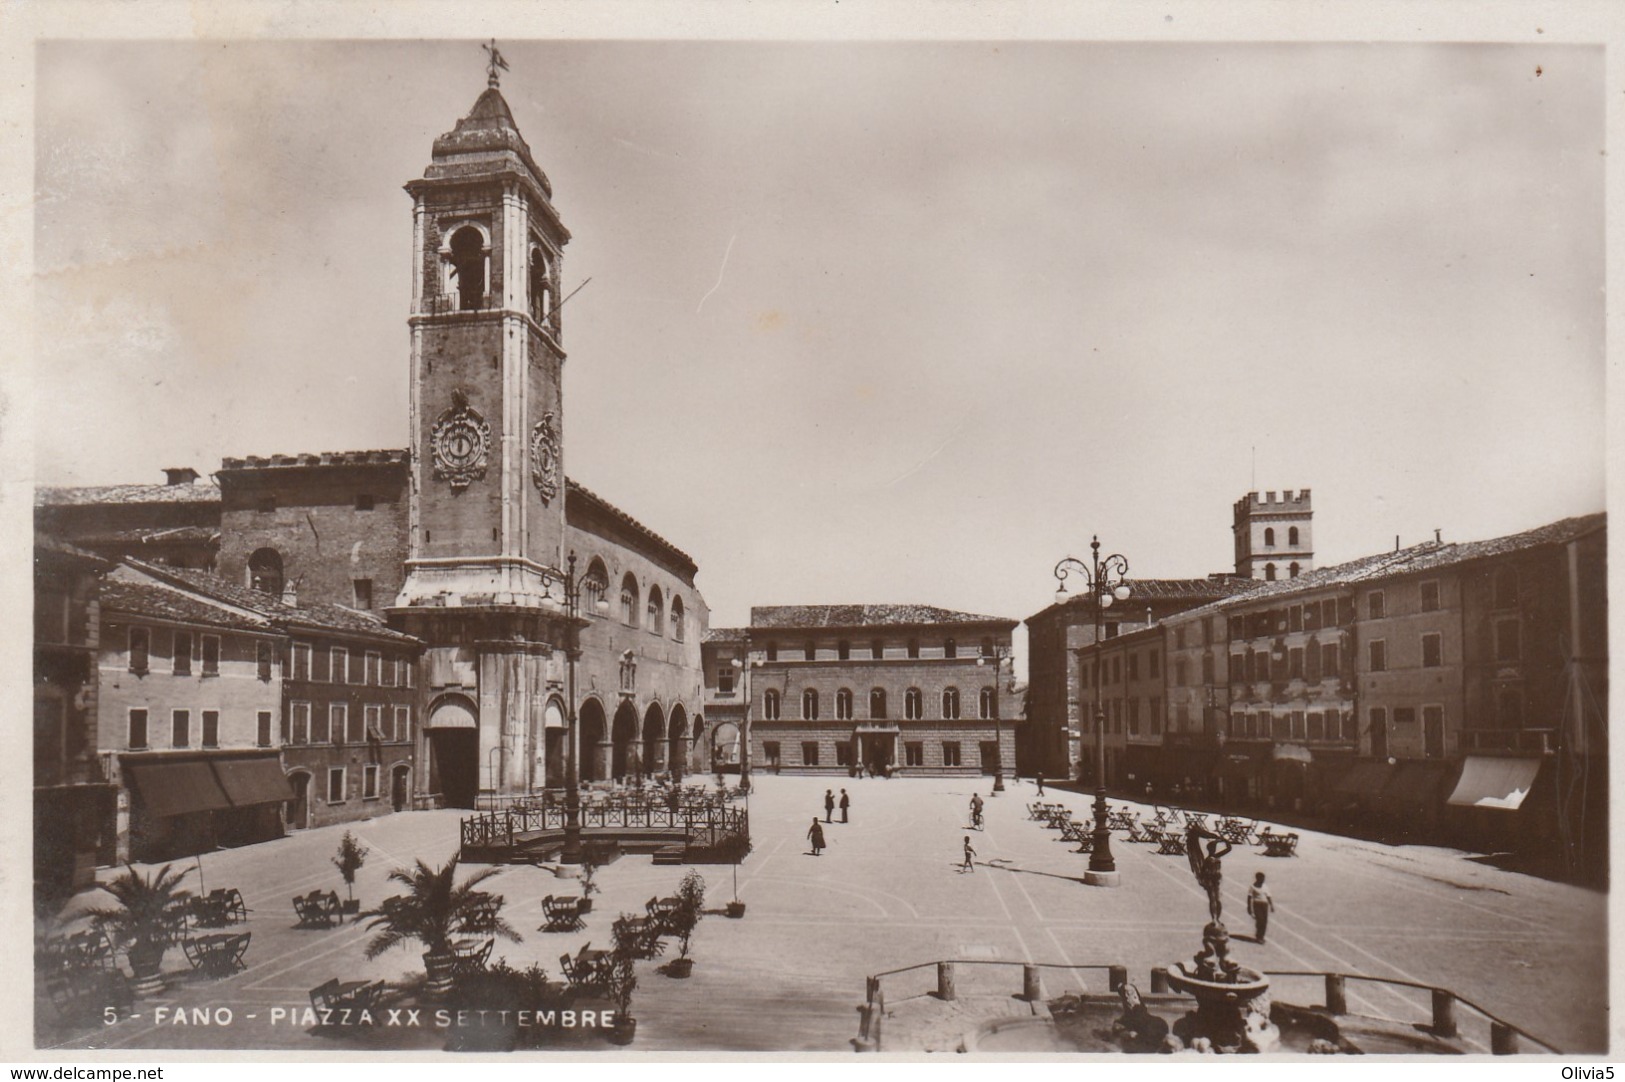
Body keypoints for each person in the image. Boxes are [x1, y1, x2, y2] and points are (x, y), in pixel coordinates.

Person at [1197, 838, 1233, 923]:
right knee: (1212, 900)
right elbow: (1202, 872)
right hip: (1210, 881)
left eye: (1215, 847)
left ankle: (1218, 918)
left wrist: (1225, 840)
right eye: (1213, 847)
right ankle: (1214, 918)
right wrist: (1205, 881)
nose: (1214, 849)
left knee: (1218, 901)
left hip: (1217, 881)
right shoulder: (1208, 859)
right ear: (1210, 849)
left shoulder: (1217, 856)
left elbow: (1229, 848)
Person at [1247, 872, 1274, 944]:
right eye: (1262, 878)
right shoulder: (1252, 886)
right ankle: (1258, 936)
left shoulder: (1265, 886)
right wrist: (1249, 908)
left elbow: (1268, 896)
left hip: (1265, 905)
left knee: (1265, 921)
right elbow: (1249, 897)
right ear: (1257, 878)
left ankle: (1261, 936)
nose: (1263, 880)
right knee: (1260, 920)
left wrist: (1271, 905)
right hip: (1257, 904)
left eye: (1263, 878)